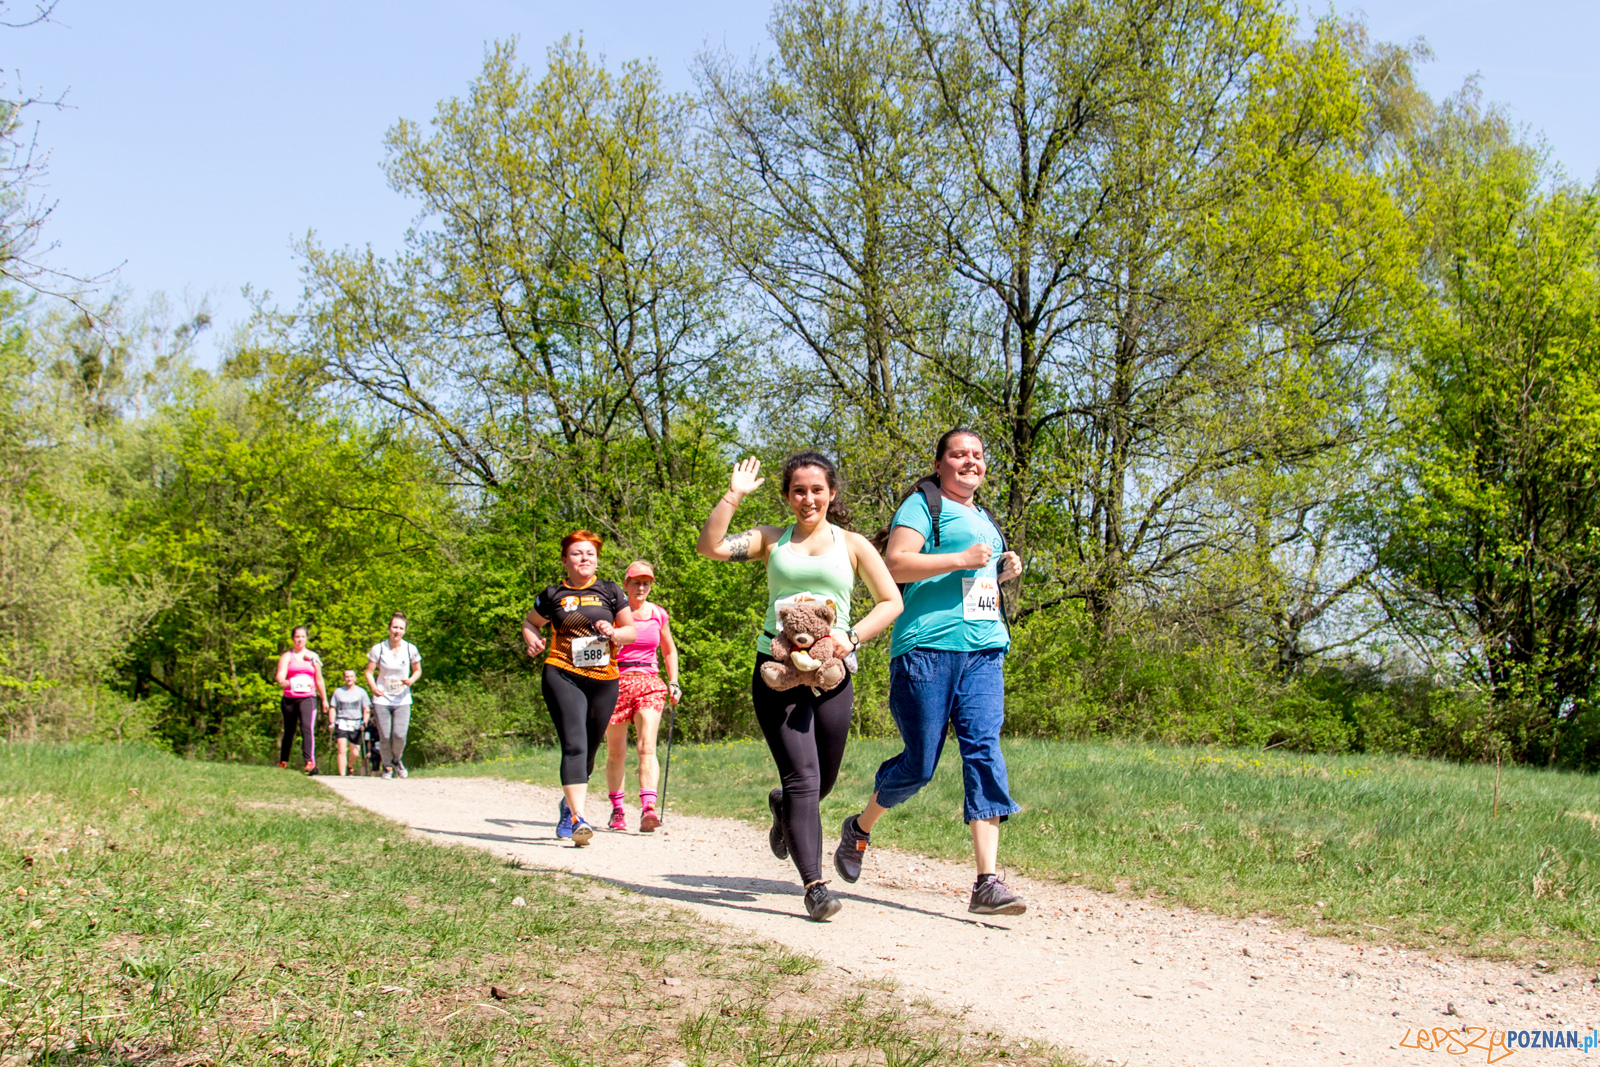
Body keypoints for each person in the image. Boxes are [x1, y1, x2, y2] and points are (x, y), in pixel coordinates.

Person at [696, 453, 902, 921]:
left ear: (832, 493)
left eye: (816, 490)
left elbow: (890, 601)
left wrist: (852, 637)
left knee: (822, 780)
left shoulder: (852, 545)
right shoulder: (772, 540)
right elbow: (710, 547)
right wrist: (734, 495)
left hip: (832, 670)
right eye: (798, 491)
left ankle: (782, 807)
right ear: (788, 496)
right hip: (778, 668)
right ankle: (815, 886)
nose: (808, 499)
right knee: (803, 779)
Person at [833, 429, 1028, 916]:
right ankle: (859, 828)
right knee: (920, 763)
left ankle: (986, 882)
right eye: (959, 454)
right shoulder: (923, 505)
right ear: (940, 464)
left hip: (985, 650)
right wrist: (961, 559)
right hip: (927, 648)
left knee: (984, 750)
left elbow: (974, 578)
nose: (970, 461)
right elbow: (895, 566)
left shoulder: (986, 518)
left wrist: (999, 571)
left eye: (977, 455)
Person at [522, 531, 637, 847]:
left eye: (590, 553)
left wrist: (613, 632)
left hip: (604, 678)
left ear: (597, 559)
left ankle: (568, 805)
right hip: (563, 673)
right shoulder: (553, 594)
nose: (584, 558)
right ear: (565, 560)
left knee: (589, 749)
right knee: (574, 744)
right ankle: (578, 819)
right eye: (577, 553)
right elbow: (531, 623)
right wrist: (532, 638)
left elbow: (630, 632)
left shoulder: (610, 591)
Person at [603, 560, 682, 833]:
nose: (641, 587)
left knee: (647, 746)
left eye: (646, 583)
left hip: (648, 681)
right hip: (615, 681)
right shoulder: (613, 614)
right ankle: (617, 810)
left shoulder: (659, 614)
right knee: (616, 751)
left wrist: (673, 681)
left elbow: (669, 650)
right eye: (636, 582)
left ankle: (648, 808)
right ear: (625, 584)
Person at [365, 612, 422, 780]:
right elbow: (368, 672)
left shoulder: (410, 649)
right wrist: (374, 688)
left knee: (399, 735)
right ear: (389, 629)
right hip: (382, 698)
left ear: (405, 631)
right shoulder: (378, 649)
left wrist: (411, 680)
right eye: (394, 627)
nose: (397, 631)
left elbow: (418, 670)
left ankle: (397, 760)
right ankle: (387, 766)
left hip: (402, 698)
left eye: (401, 628)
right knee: (385, 735)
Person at [275, 625, 327, 774]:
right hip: (290, 698)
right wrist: (282, 681)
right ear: (293, 638)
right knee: (289, 730)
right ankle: (283, 761)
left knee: (306, 728)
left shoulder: (313, 657)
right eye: (297, 636)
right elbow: (280, 674)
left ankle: (309, 762)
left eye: (303, 637)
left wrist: (324, 699)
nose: (300, 639)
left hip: (308, 697)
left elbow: (319, 679)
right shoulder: (287, 656)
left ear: (306, 639)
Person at [328, 669, 373, 777]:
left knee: (355, 752)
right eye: (347, 677)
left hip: (356, 723)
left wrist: (364, 721)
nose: (349, 679)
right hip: (341, 721)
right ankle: (342, 775)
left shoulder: (361, 692)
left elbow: (366, 708)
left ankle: (349, 766)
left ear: (355, 678)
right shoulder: (338, 692)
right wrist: (331, 722)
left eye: (351, 676)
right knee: (342, 749)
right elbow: (333, 708)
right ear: (344, 678)